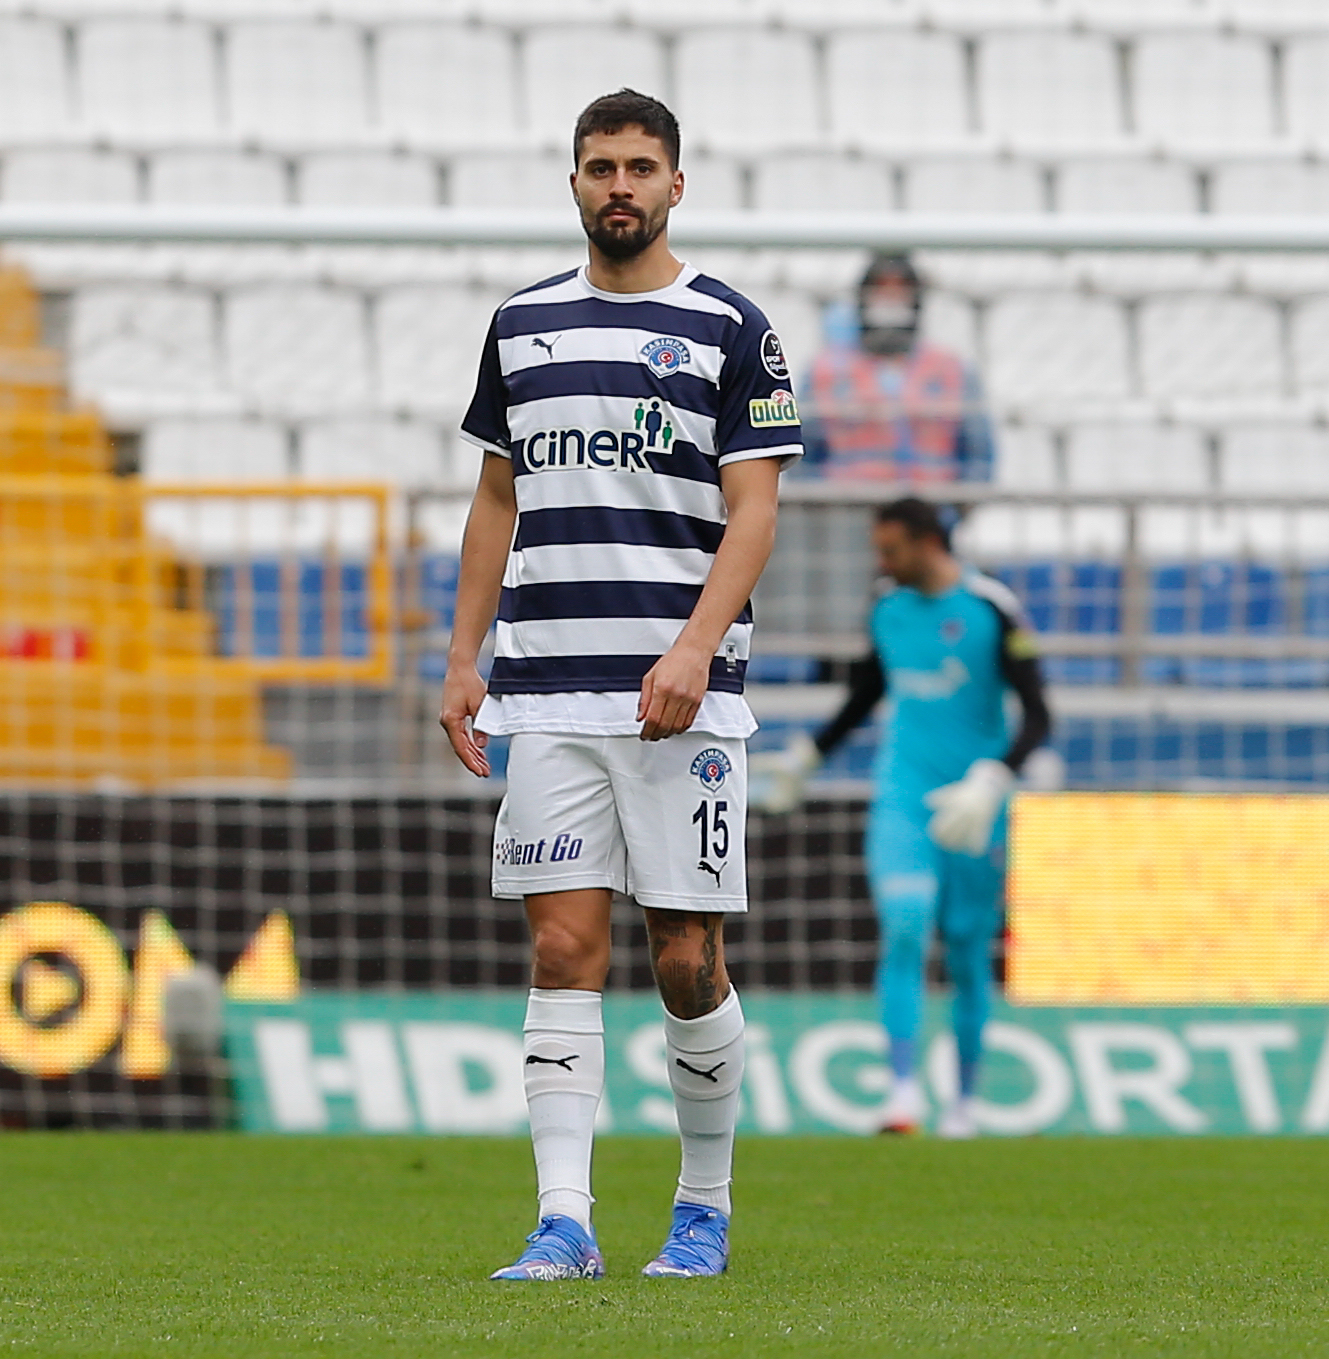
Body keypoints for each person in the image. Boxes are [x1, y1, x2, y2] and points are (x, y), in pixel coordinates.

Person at [440, 89, 801, 1281]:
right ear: (576, 183)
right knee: (562, 948)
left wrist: (695, 646)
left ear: (676, 184)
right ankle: (565, 1221)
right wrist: (463, 657)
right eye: (601, 167)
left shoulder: (733, 329)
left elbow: (756, 510)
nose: (620, 186)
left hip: (681, 700)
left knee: (685, 959)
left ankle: (704, 1206)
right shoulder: (522, 325)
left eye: (641, 167)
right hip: (548, 691)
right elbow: (497, 498)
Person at [753, 498, 1052, 1137]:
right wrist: (808, 757)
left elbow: (1040, 714)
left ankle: (964, 1106)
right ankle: (902, 1093)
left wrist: (994, 777)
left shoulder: (992, 607)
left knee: (967, 949)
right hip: (903, 797)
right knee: (907, 923)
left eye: (890, 550)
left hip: (973, 807)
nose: (881, 562)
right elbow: (866, 694)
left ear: (926, 543)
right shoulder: (887, 609)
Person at [803, 253, 994, 483]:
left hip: (931, 502)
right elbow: (803, 455)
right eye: (880, 288)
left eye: (901, 288)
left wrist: (958, 502)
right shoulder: (825, 371)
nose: (890, 298)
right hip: (848, 502)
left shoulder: (952, 370)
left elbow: (978, 454)